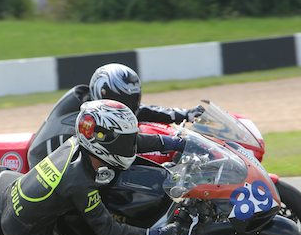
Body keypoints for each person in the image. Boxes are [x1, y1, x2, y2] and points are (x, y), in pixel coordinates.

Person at [1, 99, 180, 235]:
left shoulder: (81, 144)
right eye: (123, 140)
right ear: (100, 140)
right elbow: (110, 233)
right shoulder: (80, 182)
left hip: (26, 200)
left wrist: (173, 143)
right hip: (27, 234)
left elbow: (130, 143)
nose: (129, 144)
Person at [28, 63, 203, 167]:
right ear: (103, 93)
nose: (129, 107)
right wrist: (170, 148)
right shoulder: (87, 120)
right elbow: (122, 146)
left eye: (133, 99)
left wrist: (185, 114)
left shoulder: (97, 104)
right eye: (123, 100)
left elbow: (139, 111)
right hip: (49, 170)